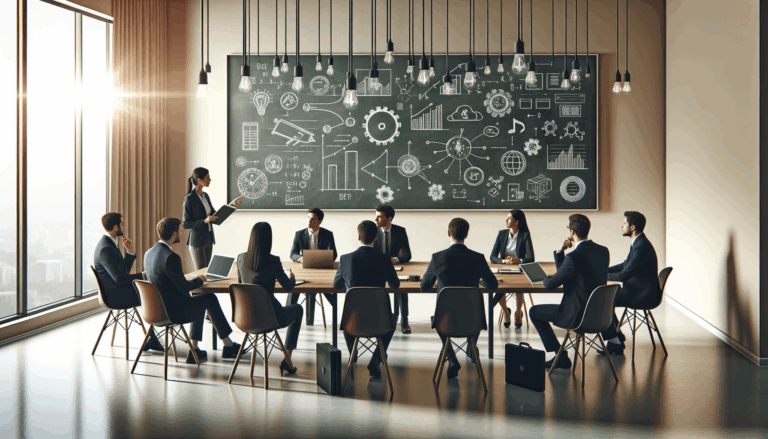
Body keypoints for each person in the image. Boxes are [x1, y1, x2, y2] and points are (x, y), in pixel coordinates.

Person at [144, 217, 240, 363]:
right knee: (209, 298)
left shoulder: (149, 253)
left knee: (199, 298)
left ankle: (199, 349)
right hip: (173, 312)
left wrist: (191, 281)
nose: (181, 233)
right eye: (180, 231)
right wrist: (200, 279)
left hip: (154, 310)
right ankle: (226, 345)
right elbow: (184, 287)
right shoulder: (171, 257)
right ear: (174, 234)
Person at [528, 214, 609, 370]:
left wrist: (544, 277)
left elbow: (550, 285)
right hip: (600, 314)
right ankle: (560, 357)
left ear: (572, 231)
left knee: (534, 312)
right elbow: (565, 273)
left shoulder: (574, 256)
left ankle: (560, 356)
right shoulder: (603, 251)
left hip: (578, 315)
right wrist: (560, 251)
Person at [420, 218, 498, 380]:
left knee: (436, 318)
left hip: (446, 321)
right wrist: (480, 281)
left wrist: (438, 279)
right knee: (471, 313)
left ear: (449, 233)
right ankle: (472, 346)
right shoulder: (478, 258)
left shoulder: (437, 257)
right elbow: (493, 285)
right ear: (467, 235)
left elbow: (424, 287)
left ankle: (452, 358)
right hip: (474, 321)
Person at [333, 220, 400, 378]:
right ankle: (376, 359)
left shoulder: (345, 259)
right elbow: (395, 285)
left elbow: (336, 285)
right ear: (376, 237)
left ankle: (353, 354)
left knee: (346, 315)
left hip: (353, 321)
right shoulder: (384, 259)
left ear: (358, 237)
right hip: (380, 320)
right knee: (393, 317)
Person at [237, 222, 304, 375]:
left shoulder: (241, 258)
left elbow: (241, 285)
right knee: (298, 309)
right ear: (269, 239)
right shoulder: (273, 261)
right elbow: (288, 287)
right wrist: (292, 277)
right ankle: (287, 359)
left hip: (246, 317)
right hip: (270, 317)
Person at [93, 212, 163, 352]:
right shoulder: (106, 248)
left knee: (150, 290)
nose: (123, 227)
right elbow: (120, 279)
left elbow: (122, 273)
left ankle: (152, 337)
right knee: (151, 293)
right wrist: (143, 275)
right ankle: (153, 336)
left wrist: (129, 252)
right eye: (122, 224)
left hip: (117, 290)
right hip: (115, 296)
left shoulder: (109, 244)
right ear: (116, 227)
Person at [596, 211, 661, 357]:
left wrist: (600, 275)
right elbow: (625, 265)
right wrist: (603, 270)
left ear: (633, 227)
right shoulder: (639, 242)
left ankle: (615, 341)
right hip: (639, 290)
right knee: (605, 298)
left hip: (642, 295)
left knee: (601, 300)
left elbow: (624, 275)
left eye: (624, 223)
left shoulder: (641, 246)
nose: (621, 226)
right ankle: (616, 338)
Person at [183, 167, 243, 270]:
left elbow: (215, 216)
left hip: (209, 239)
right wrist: (204, 221)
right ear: (199, 180)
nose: (210, 180)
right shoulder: (189, 199)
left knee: (207, 272)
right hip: (197, 242)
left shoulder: (205, 196)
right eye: (208, 178)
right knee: (201, 273)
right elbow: (186, 224)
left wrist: (231, 205)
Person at [288, 207, 338, 325]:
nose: (309, 221)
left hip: (321, 272)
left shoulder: (327, 234)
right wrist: (301, 258)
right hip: (304, 270)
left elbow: (333, 254)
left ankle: (338, 312)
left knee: (325, 288)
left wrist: (317, 259)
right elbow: (293, 254)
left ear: (319, 221)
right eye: (308, 218)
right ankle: (288, 317)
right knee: (294, 286)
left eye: (313, 219)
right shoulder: (299, 234)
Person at [489, 209, 535, 329]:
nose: (506, 220)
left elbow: (531, 258)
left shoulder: (525, 235)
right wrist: (504, 261)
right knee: (500, 286)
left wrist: (518, 261)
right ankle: (506, 311)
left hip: (519, 269)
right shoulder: (502, 234)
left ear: (517, 222)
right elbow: (492, 257)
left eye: (509, 218)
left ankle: (518, 312)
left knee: (519, 286)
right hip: (504, 268)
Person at [372, 204, 413, 334]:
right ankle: (381, 319)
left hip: (395, 269)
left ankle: (404, 320)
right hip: (377, 269)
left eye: (379, 217)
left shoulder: (400, 231)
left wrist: (396, 259)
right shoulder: (373, 230)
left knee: (402, 288)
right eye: (376, 216)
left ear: (389, 218)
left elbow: (407, 254)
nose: (375, 219)